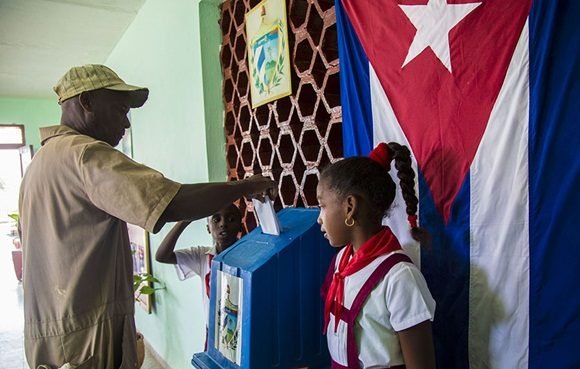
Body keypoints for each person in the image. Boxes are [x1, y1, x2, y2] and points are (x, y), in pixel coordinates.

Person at [18, 64, 276, 369]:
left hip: (52, 333)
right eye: (119, 109)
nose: (126, 122)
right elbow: (170, 202)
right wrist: (246, 186)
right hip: (84, 341)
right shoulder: (84, 154)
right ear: (86, 102)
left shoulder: (39, 164)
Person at [317, 142, 436, 369]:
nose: (319, 218)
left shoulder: (400, 278)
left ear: (350, 207)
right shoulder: (342, 261)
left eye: (322, 206)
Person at [155, 203, 242, 349]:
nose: (223, 224)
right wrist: (185, 220)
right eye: (216, 219)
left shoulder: (249, 256)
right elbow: (162, 256)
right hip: (214, 333)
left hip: (242, 332)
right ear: (208, 227)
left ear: (240, 226)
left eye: (231, 219)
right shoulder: (202, 256)